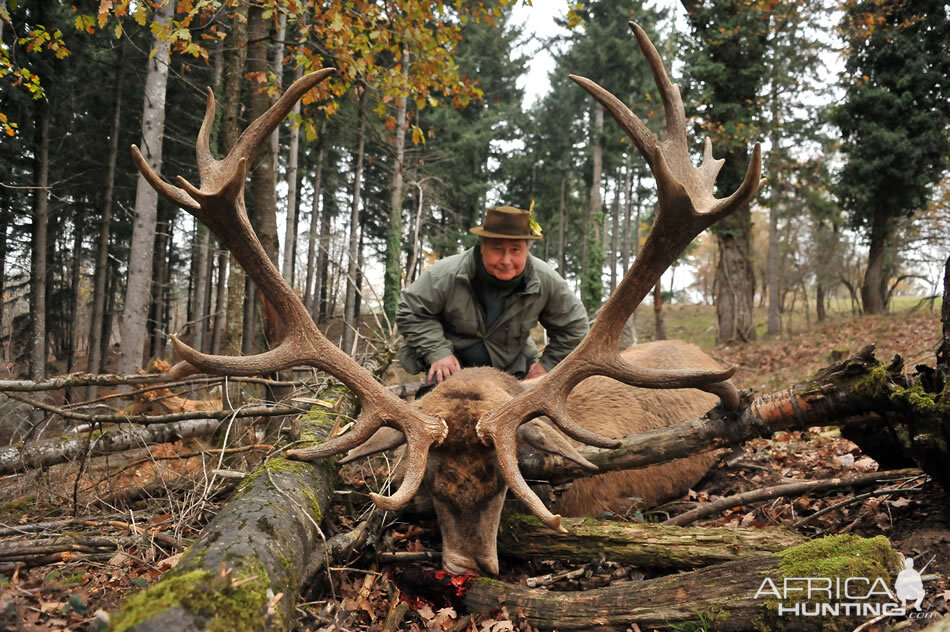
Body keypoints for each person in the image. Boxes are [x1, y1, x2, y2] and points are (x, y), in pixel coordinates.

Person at [396, 205, 589, 386]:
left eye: (515, 250)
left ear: (527, 250)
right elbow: (410, 310)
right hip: (451, 374)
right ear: (482, 247)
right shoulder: (446, 274)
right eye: (498, 250)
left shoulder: (546, 280)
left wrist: (547, 366)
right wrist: (437, 352)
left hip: (514, 377)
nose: (506, 260)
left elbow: (575, 328)